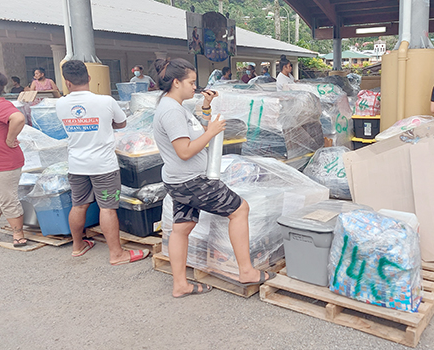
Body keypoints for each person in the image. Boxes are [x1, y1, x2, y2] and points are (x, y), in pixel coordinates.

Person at [152, 58, 276, 298]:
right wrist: (211, 133)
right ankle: (246, 271)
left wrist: (206, 107)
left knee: (182, 227)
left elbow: (194, 132)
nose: (194, 87)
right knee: (240, 209)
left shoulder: (175, 107)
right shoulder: (171, 112)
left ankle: (180, 284)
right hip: (192, 181)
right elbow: (185, 150)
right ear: (176, 82)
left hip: (179, 180)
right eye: (191, 82)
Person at [56, 60, 150, 264]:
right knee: (107, 208)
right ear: (89, 78)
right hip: (103, 166)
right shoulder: (106, 101)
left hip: (76, 165)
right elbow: (122, 122)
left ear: (67, 82)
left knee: (79, 205)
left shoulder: (60, 103)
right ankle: (116, 254)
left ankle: (77, 246)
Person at [0, 69, 27, 248]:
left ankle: (18, 234)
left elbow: (19, 118)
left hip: (3, 163)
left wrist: (9, 139)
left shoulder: (0, 105)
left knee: (7, 198)